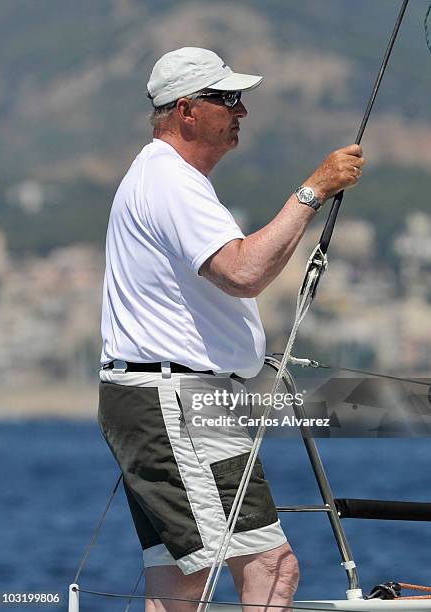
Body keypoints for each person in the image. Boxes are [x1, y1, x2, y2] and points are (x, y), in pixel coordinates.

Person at [98, 47, 365, 612]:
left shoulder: (159, 176)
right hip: (176, 404)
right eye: (228, 100)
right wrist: (313, 191)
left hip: (157, 401)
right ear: (187, 111)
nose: (242, 111)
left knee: (182, 584)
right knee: (273, 568)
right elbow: (242, 271)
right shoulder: (170, 181)